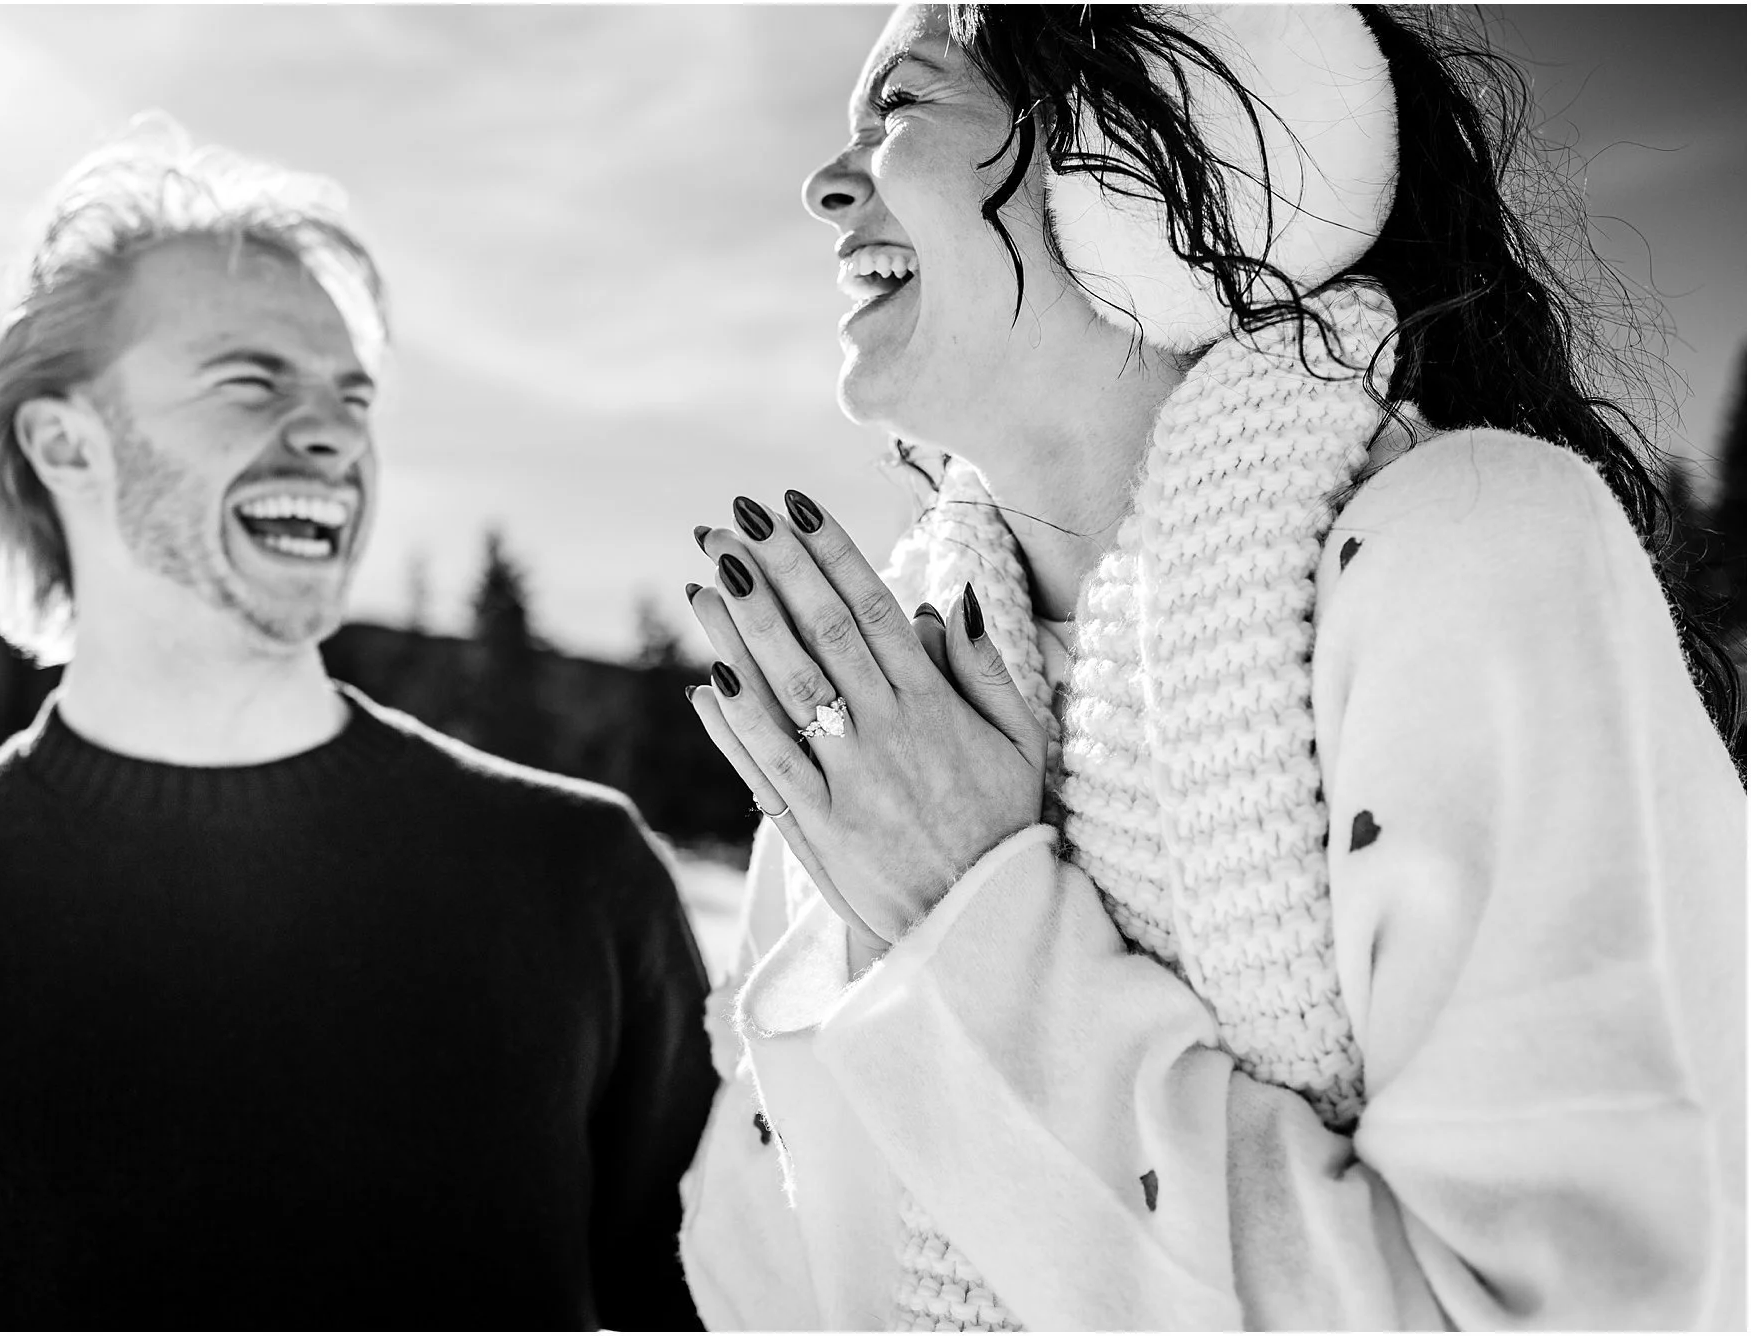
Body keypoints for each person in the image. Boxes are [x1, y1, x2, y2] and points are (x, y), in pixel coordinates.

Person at [676, 4, 1744, 1329]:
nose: (825, 183)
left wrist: (967, 917)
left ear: (1130, 157)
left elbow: (1562, 1307)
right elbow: (756, 1279)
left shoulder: (1470, 552)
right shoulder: (885, 706)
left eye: (903, 109)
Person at [0, 119, 715, 1331]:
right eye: (251, 379)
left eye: (350, 397)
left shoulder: (580, 883)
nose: (332, 434)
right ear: (65, 442)